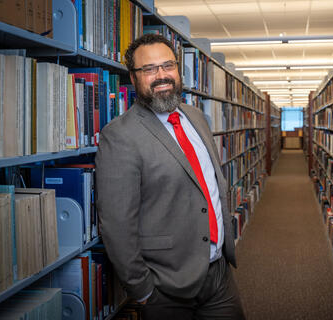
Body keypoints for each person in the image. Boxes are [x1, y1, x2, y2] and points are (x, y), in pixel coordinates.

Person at [95, 33, 245, 319]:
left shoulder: (196, 117)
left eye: (168, 65)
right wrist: (144, 290)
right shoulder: (119, 136)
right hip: (166, 286)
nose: (161, 75)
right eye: (149, 69)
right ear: (133, 77)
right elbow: (116, 224)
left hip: (218, 273)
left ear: (178, 69)